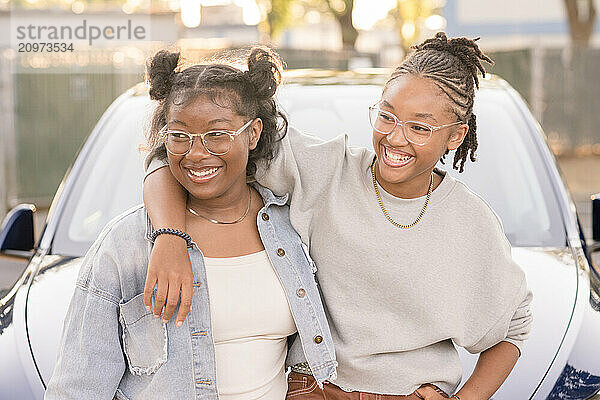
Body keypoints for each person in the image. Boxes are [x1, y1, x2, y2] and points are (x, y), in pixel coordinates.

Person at [143, 33, 533, 400]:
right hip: (313, 388)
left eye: (419, 127)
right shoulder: (324, 170)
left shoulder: (471, 221)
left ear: (455, 136)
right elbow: (174, 158)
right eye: (387, 116)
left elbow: (513, 327)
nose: (396, 138)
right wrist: (170, 238)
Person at [45, 47, 337, 400]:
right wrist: (168, 237)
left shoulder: (293, 229)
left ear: (254, 133)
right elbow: (78, 388)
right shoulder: (126, 245)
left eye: (217, 134)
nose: (196, 153)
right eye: (180, 136)